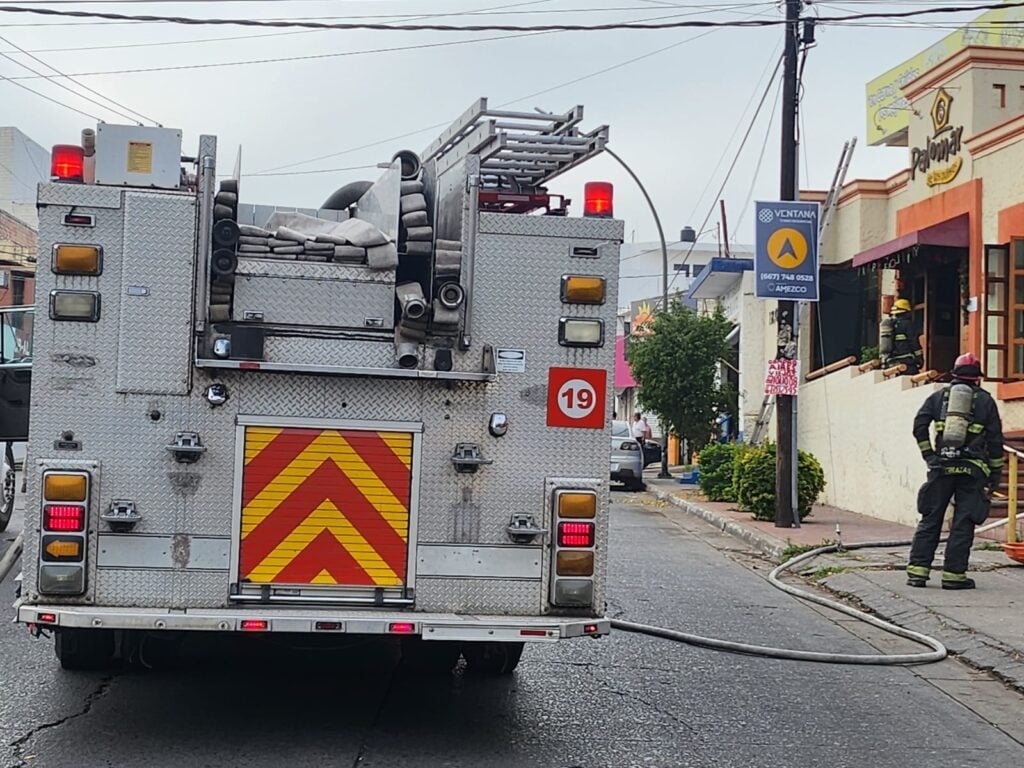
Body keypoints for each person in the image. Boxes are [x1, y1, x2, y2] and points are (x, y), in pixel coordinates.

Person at [907, 352, 1004, 590]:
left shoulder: (938, 398)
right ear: (977, 379)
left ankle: (917, 573)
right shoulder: (985, 401)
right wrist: (995, 476)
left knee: (931, 518)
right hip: (973, 471)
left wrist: (930, 456)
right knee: (964, 522)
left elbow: (919, 426)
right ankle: (953, 576)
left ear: (954, 374)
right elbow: (994, 441)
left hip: (941, 468)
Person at [884, 298, 924, 375]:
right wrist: (919, 357)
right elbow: (913, 341)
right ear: (907, 312)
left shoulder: (891, 324)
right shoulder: (907, 324)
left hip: (892, 361)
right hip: (906, 360)